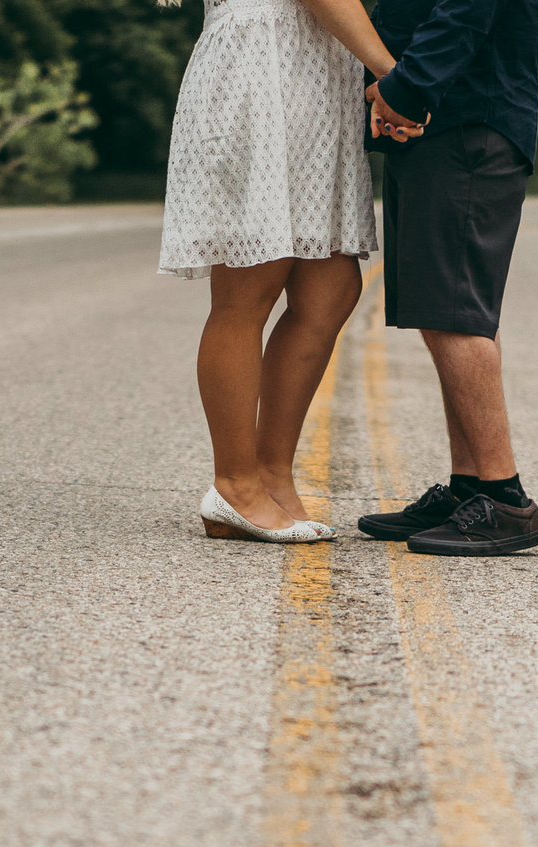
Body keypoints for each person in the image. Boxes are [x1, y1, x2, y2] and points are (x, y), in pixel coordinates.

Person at [159, 0, 424, 544]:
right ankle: (234, 484)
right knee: (250, 283)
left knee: (330, 289)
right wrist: (393, 77)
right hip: (261, 65)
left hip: (312, 69)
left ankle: (271, 475)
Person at [354, 0, 538, 557]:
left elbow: (467, 9)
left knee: (456, 310)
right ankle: (469, 487)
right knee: (447, 308)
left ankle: (504, 499)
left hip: (467, 118)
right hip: (447, 121)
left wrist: (405, 88)